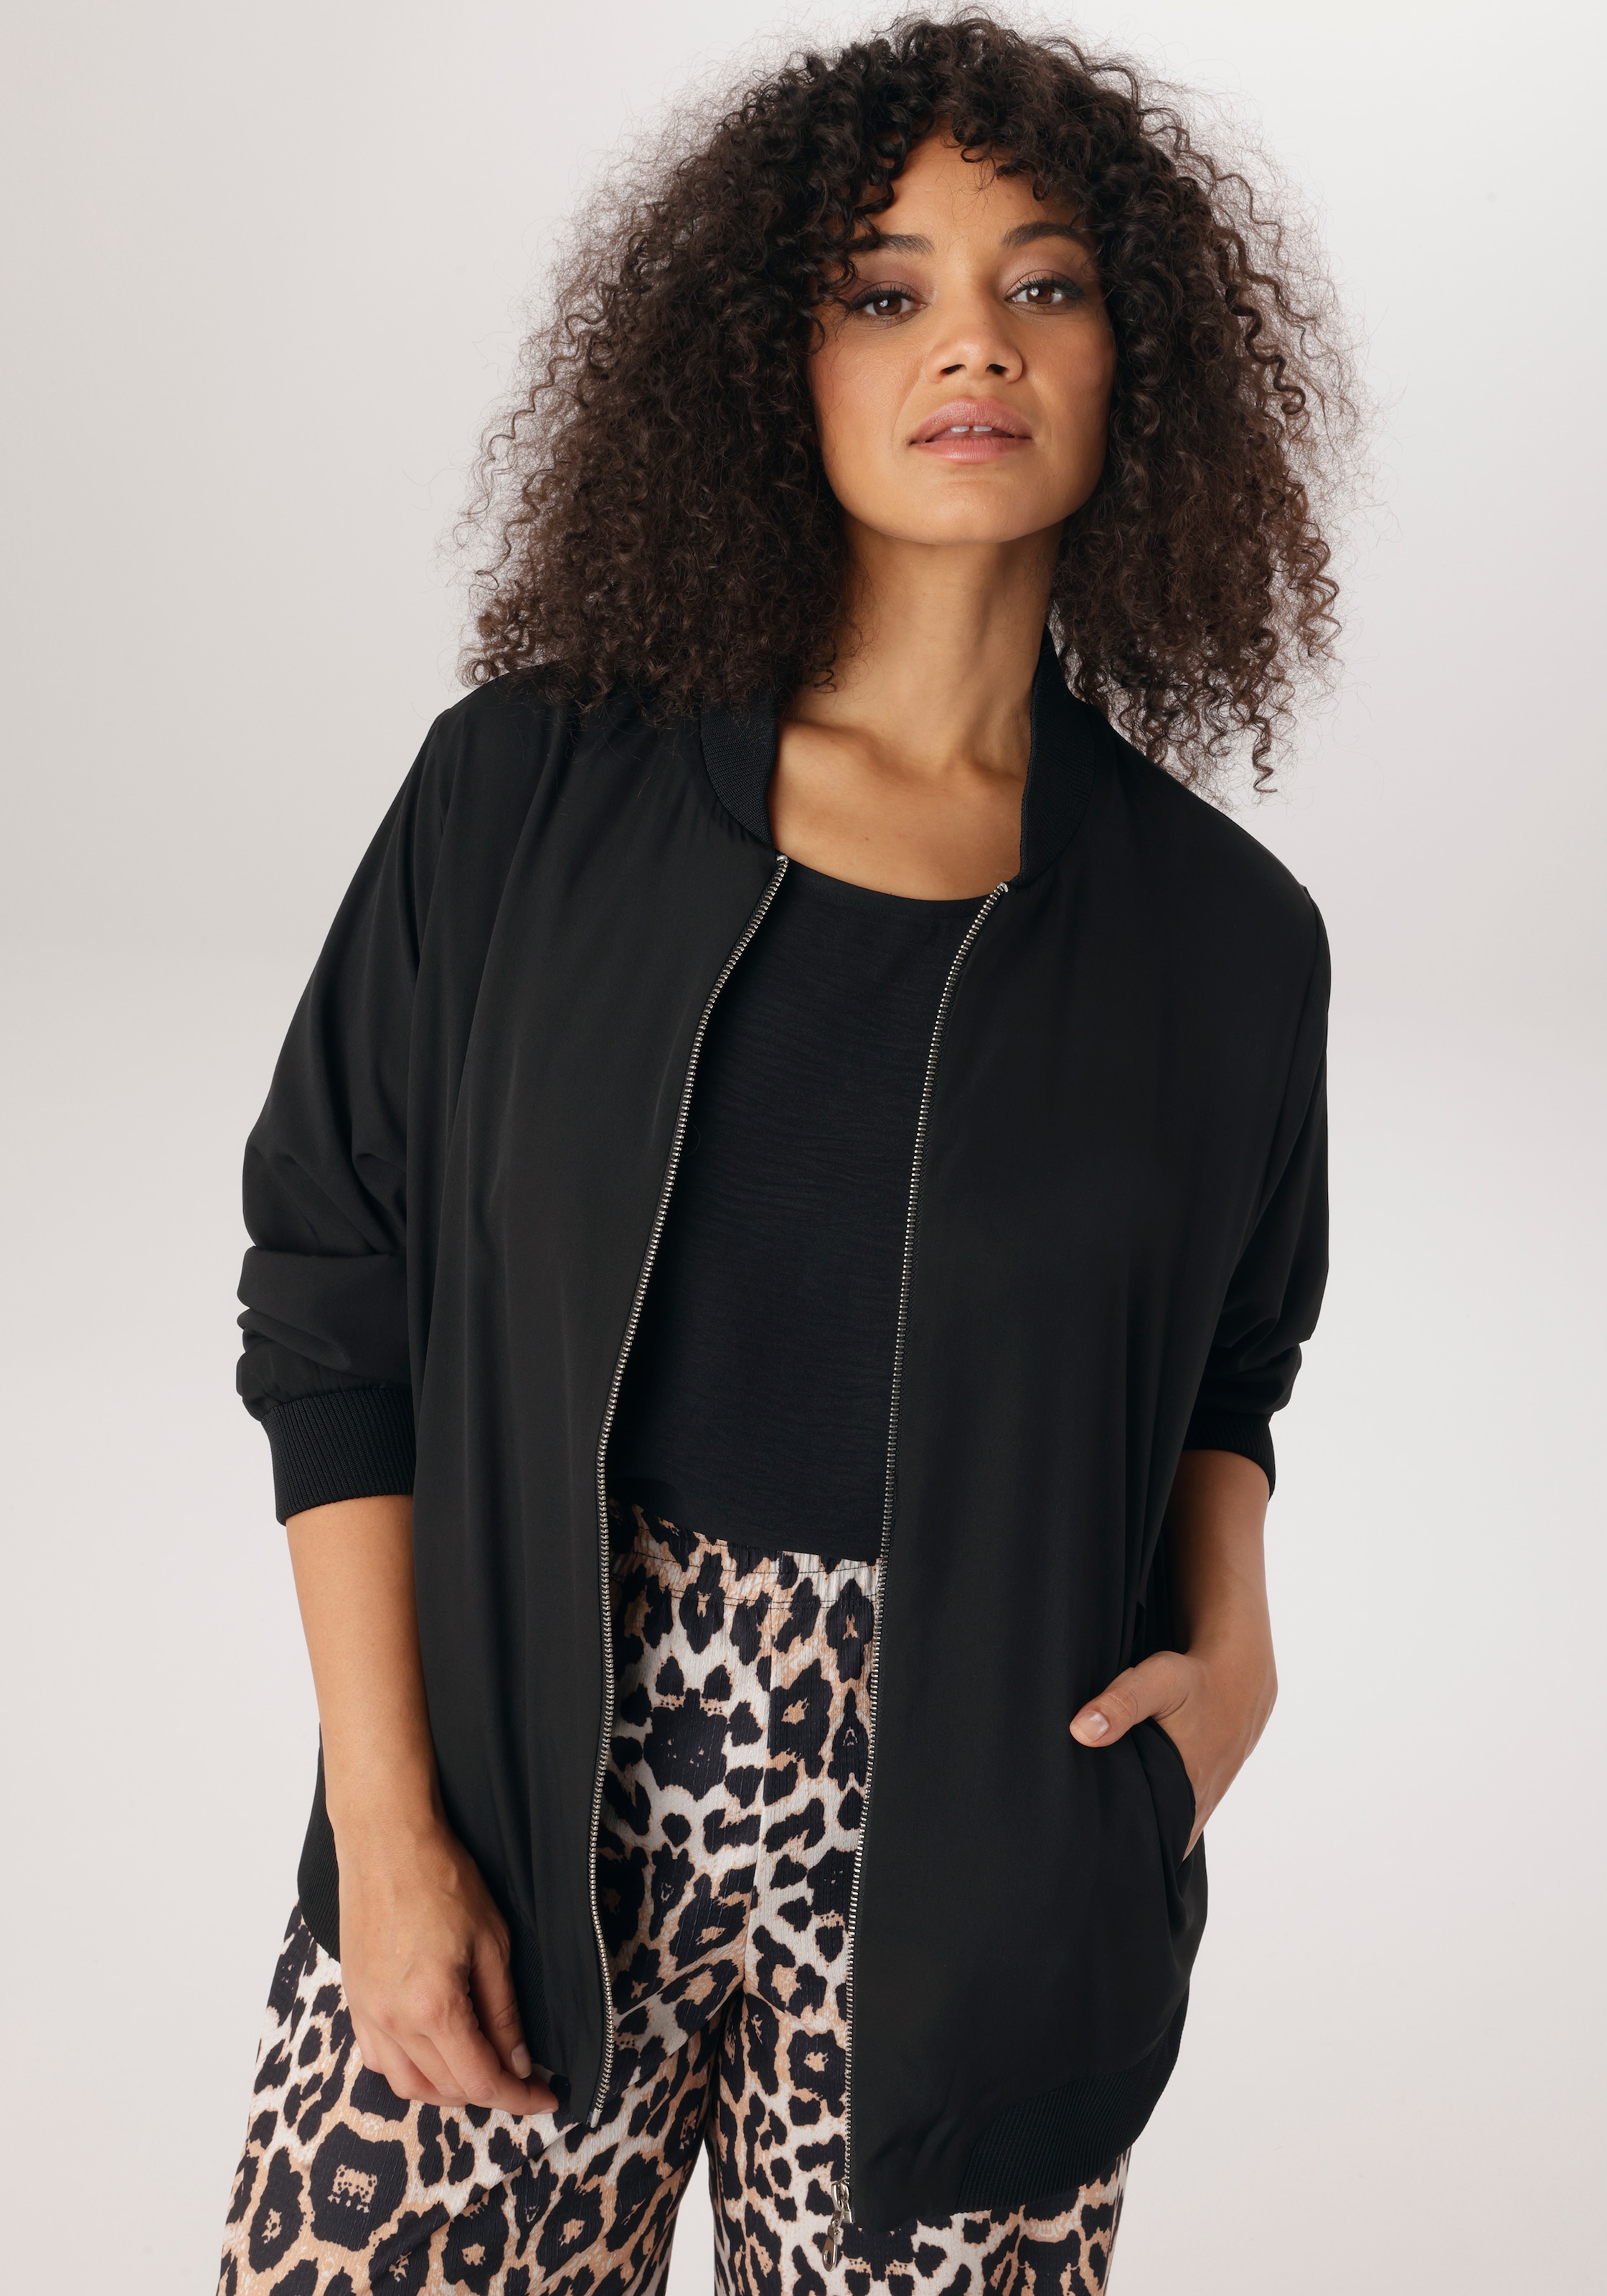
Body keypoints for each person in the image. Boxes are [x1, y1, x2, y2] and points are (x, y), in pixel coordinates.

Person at [219, 17, 1347, 2293]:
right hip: (525, 1802)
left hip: (984, 1860)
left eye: (1044, 285)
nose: (972, 343)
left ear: (1138, 363)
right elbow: (335, 1293)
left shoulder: (1223, 941)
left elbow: (1231, 1356)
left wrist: (1231, 1655)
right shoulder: (528, 797)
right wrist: (386, 1822)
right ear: (772, 363)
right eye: (884, 289)